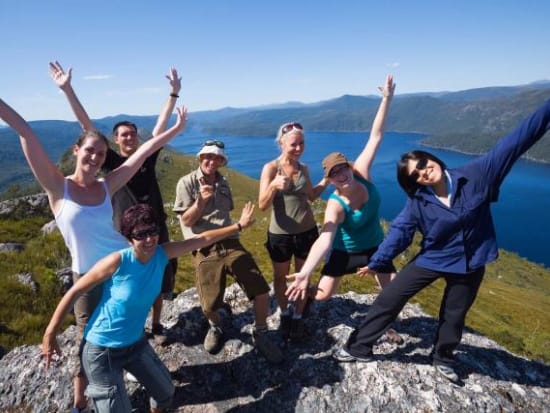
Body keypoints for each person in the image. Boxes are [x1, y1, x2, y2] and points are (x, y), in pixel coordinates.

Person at [331, 98, 550, 384]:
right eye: (415, 174)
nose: (423, 171)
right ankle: (358, 347)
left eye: (422, 163)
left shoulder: (477, 175)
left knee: (454, 312)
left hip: (472, 261)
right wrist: (378, 261)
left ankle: (443, 358)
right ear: (414, 182)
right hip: (433, 258)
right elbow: (400, 232)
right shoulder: (419, 201)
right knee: (391, 296)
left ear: (430, 158)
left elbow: (518, 139)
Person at [0, 97, 186, 412]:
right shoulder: (58, 187)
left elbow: (143, 152)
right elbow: (26, 133)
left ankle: (140, 376)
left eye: (100, 154)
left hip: (122, 268)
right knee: (87, 340)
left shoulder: (106, 185)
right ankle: (79, 402)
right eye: (89, 151)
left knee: (128, 323)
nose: (96, 157)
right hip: (86, 274)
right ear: (76, 151)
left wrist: (177, 128)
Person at [42, 202, 257, 413]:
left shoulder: (162, 254)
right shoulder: (117, 261)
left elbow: (202, 239)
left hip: (135, 343)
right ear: (128, 238)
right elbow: (74, 291)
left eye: (152, 231)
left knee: (165, 392)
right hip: (101, 349)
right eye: (140, 234)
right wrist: (50, 333)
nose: (149, 239)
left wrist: (239, 225)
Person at [49, 61, 180, 340]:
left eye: (132, 133)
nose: (129, 138)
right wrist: (68, 90)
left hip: (155, 224)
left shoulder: (145, 155)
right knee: (129, 284)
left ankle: (155, 324)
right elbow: (87, 126)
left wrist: (173, 95)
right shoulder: (111, 163)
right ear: (115, 141)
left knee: (158, 275)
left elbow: (158, 130)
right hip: (127, 232)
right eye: (123, 135)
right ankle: (131, 330)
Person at [285, 75, 398, 313]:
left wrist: (386, 99)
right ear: (330, 179)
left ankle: (383, 324)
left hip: (375, 247)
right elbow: (325, 238)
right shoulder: (335, 204)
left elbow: (375, 137)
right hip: (344, 252)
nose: (341, 174)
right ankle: (300, 303)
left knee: (394, 291)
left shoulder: (362, 174)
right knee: (323, 295)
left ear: (349, 166)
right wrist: (305, 273)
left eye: (342, 167)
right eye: (334, 173)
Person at [173, 140, 284, 363]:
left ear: (222, 161)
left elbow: (225, 213)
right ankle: (216, 326)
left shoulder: (223, 182)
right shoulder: (186, 183)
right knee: (208, 305)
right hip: (203, 247)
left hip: (231, 242)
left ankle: (260, 333)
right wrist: (200, 203)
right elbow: (185, 220)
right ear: (200, 157)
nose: (211, 161)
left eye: (217, 158)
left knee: (261, 291)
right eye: (207, 157)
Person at [258, 122, 328, 341]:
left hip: (307, 231)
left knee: (303, 277)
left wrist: (327, 180)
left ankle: (298, 317)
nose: (298, 148)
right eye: (293, 144)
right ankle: (285, 313)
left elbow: (311, 196)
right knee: (280, 277)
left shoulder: (303, 168)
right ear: (281, 144)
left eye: (301, 143)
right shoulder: (271, 168)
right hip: (280, 235)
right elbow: (262, 205)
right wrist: (273, 186)